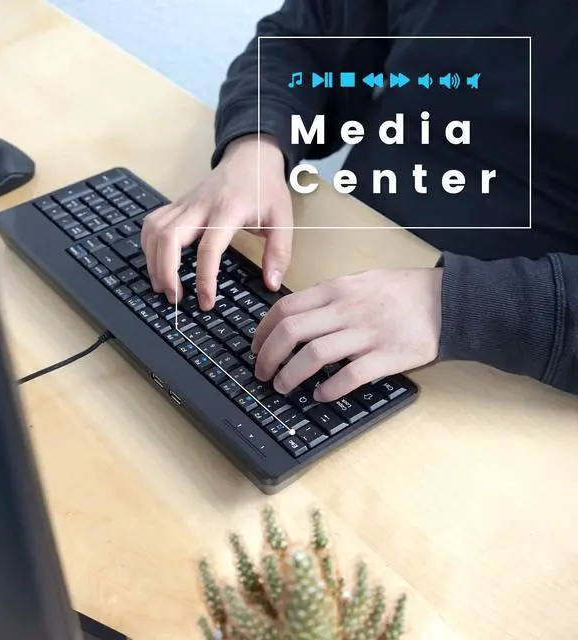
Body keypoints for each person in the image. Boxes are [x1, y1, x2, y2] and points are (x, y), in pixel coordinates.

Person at [142, 0, 578, 401]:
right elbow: (309, 39)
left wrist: (455, 305)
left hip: (504, 367)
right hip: (346, 259)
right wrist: (256, 144)